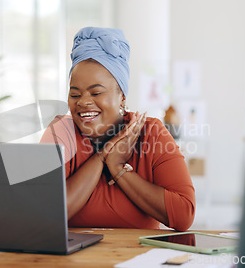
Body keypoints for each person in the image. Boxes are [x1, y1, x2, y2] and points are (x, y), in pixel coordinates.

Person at [40, 27, 195, 231]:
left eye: (96, 93)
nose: (83, 102)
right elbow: (46, 212)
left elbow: (183, 216)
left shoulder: (152, 133)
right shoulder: (60, 132)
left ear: (121, 95)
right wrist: (102, 156)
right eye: (75, 95)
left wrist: (119, 169)